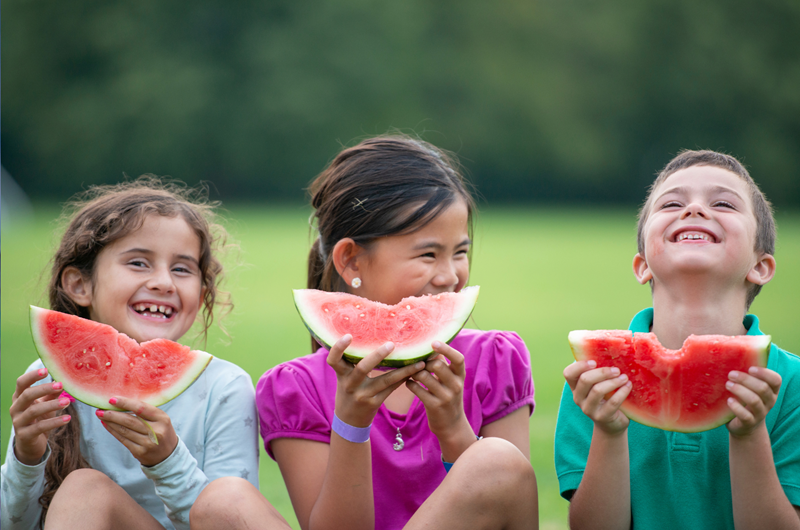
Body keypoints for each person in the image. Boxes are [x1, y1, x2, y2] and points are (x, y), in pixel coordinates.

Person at [190, 135, 538, 530]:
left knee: (495, 459)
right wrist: (351, 425)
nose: (450, 275)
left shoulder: (496, 359)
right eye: (428, 254)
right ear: (351, 261)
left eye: (460, 252)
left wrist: (454, 429)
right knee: (223, 501)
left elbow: (510, 508)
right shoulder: (296, 389)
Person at [1, 177, 268, 530]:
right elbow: (15, 524)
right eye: (139, 263)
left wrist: (167, 460)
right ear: (80, 285)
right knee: (84, 488)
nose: (164, 282)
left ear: (202, 294)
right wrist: (28, 456)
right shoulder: (50, 379)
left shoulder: (224, 386)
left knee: (228, 495)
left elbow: (232, 519)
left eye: (182, 269)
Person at [555, 150, 800, 530]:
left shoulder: (791, 384)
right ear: (642, 265)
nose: (695, 210)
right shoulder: (595, 378)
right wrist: (608, 430)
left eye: (722, 203)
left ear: (761, 266)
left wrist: (751, 435)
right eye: (672, 203)